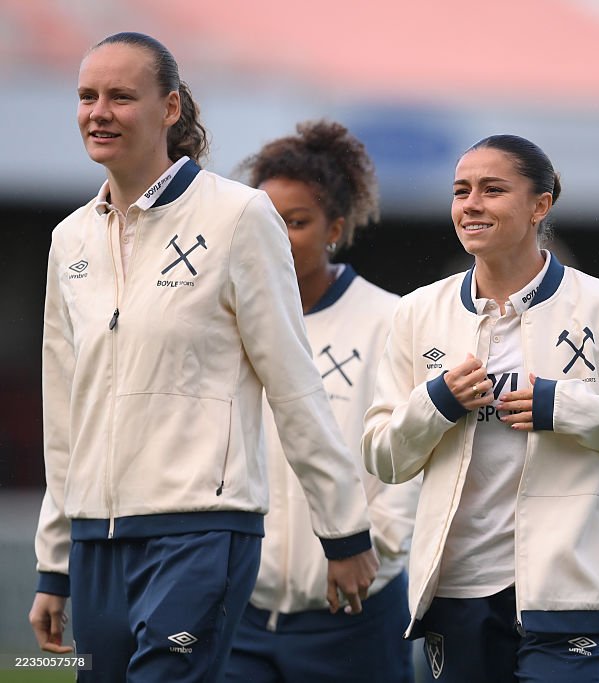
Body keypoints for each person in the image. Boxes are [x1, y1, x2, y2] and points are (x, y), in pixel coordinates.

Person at [29, 33, 377, 682]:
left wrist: (344, 529)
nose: (98, 111)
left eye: (121, 96)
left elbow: (293, 381)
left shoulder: (239, 217)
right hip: (97, 540)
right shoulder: (68, 239)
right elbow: (63, 410)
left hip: (202, 532)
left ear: (169, 109)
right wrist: (55, 561)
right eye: (87, 96)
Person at [362, 134, 599, 682]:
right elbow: (384, 457)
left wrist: (566, 407)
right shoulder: (417, 312)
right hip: (455, 592)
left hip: (569, 592)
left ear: (541, 205)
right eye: (461, 190)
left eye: (493, 190)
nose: (471, 204)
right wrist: (437, 401)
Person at [226, 120, 418, 682]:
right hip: (238, 610)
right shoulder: (224, 317)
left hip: (356, 609)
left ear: (335, 227)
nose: (279, 236)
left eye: (298, 222)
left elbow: (410, 452)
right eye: (266, 221)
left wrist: (372, 554)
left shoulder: (391, 319)